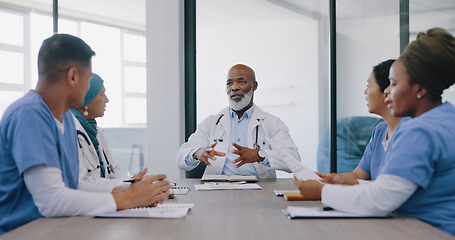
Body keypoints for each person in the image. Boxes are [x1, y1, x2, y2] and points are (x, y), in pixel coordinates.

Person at [0, 34, 171, 235]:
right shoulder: (29, 114)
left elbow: (75, 186)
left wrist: (131, 190)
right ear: (73, 76)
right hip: (25, 232)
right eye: (89, 78)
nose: (90, 86)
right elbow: (52, 201)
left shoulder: (65, 119)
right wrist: (128, 199)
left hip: (59, 228)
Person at [295, 27, 455, 235]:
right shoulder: (446, 118)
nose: (387, 90)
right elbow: (390, 188)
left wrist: (322, 191)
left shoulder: (419, 131)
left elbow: (381, 198)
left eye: (394, 83)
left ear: (420, 89)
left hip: (425, 231)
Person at [176, 64, 300, 178]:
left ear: (254, 86)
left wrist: (260, 155)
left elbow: (294, 160)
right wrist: (197, 153)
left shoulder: (272, 123)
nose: (234, 88)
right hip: (218, 189)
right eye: (229, 83)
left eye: (241, 82)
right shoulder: (211, 122)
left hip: (261, 190)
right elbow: (180, 157)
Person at [318, 59, 409, 185]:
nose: (365, 92)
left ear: (387, 91)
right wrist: (328, 180)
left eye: (369, 86)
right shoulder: (380, 130)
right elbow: (357, 175)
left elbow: (395, 187)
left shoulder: (410, 130)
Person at [71, 73, 128, 190]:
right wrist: (126, 185)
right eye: (102, 95)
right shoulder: (70, 130)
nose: (107, 100)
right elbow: (81, 182)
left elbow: (113, 168)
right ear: (86, 101)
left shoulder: (95, 130)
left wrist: (135, 182)